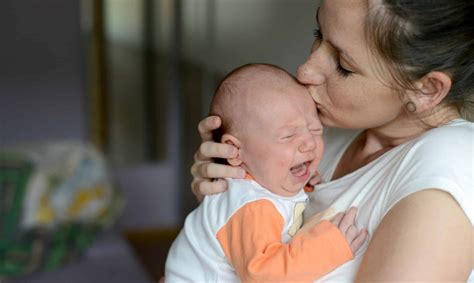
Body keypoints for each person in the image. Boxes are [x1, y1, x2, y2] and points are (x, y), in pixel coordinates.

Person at [190, 0, 473, 281]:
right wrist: (229, 201)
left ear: (426, 89)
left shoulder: (451, 162)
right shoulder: (325, 136)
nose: (305, 70)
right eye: (318, 35)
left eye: (343, 64)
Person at [165, 64, 368, 282]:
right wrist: (329, 247)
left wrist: (305, 184)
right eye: (288, 136)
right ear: (235, 151)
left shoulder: (265, 181)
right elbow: (263, 275)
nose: (309, 143)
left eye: (315, 129)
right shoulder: (250, 206)